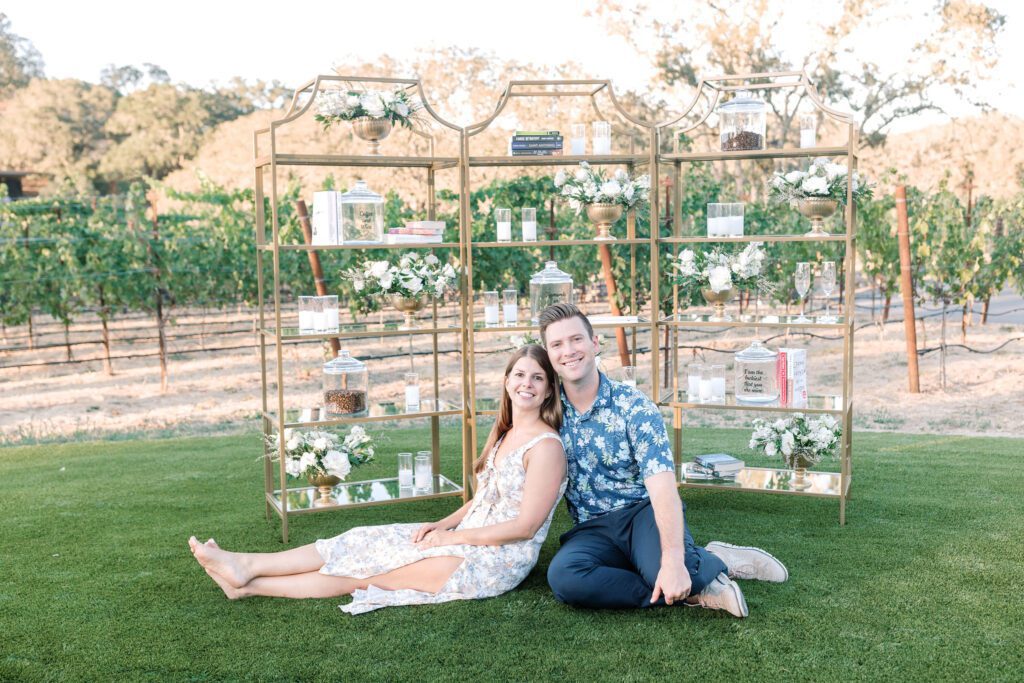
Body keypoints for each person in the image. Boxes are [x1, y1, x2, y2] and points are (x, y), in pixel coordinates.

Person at [189, 344, 566, 615]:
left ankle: (248, 585)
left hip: (495, 560)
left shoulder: (546, 447)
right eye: (519, 374)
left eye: (537, 378)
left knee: (374, 574)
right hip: (465, 536)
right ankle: (248, 563)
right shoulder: (503, 433)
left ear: (550, 388)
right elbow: (484, 500)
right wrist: (441, 523)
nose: (527, 384)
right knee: (359, 540)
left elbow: (524, 526)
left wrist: (455, 537)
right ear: (506, 381)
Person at [537, 303, 787, 618]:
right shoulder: (547, 412)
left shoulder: (634, 408)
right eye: (557, 344)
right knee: (564, 578)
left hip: (643, 514)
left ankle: (710, 561)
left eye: (576, 340)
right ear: (548, 355)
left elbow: (663, 489)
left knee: (675, 569)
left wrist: (671, 560)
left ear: (594, 343)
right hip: (591, 528)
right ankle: (695, 587)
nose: (568, 351)